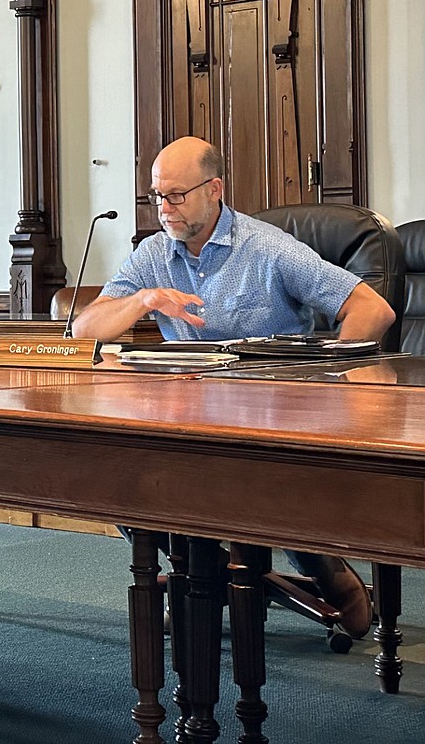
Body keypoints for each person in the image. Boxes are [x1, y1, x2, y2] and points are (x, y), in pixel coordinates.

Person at [73, 136, 396, 638]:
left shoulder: (266, 248)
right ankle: (214, 575)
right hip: (186, 416)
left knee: (268, 493)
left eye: (176, 195)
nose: (164, 208)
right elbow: (83, 329)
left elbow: (374, 310)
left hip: (269, 420)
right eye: (157, 196)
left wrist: (323, 380)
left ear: (214, 189)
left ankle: (324, 576)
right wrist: (145, 299)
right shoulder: (154, 254)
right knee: (114, 471)